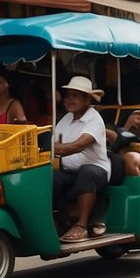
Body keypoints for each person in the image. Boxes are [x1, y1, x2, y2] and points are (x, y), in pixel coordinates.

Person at [51, 76, 111, 242]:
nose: (70, 99)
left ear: (87, 99)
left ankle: (82, 225)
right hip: (69, 172)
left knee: (87, 171)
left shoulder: (94, 120)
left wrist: (48, 149)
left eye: (75, 96)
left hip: (96, 171)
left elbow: (78, 145)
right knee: (51, 177)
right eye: (68, 95)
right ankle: (62, 223)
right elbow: (55, 143)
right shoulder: (65, 119)